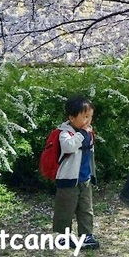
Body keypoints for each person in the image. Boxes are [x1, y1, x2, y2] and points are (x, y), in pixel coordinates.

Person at [52, 96, 100, 249]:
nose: (88, 120)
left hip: (84, 178)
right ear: (72, 118)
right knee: (65, 209)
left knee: (86, 209)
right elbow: (69, 147)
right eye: (85, 116)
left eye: (90, 116)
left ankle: (86, 235)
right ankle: (62, 237)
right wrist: (82, 134)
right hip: (68, 179)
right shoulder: (64, 133)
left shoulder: (87, 131)